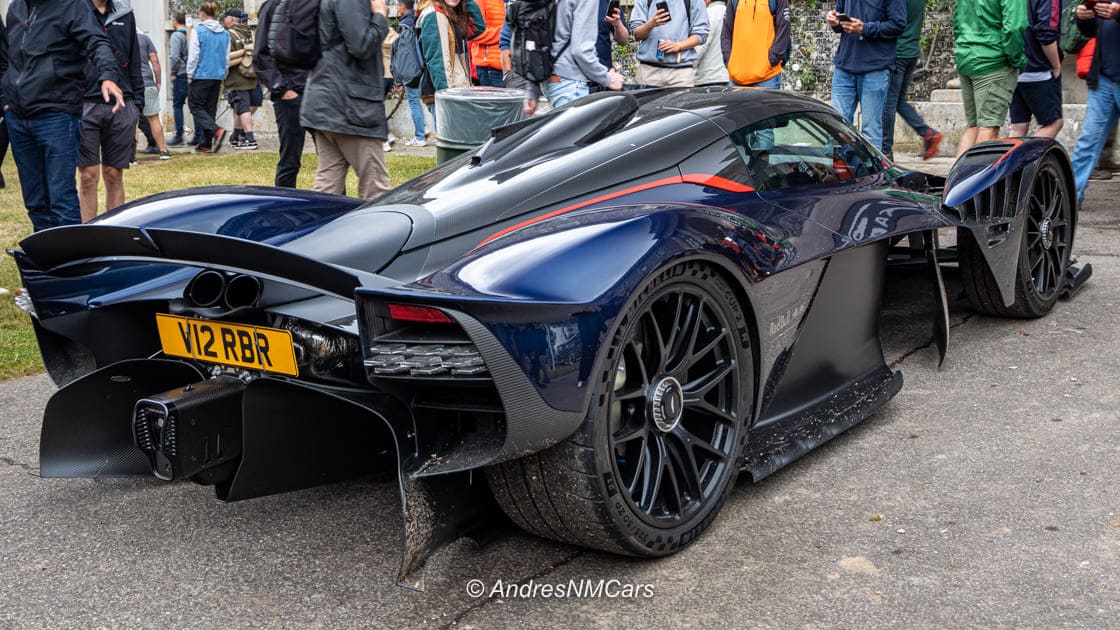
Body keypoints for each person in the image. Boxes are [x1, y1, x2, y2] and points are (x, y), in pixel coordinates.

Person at [4, 0, 125, 231]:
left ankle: (69, 261)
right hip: (18, 117)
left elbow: (97, 41)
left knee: (61, 199)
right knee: (35, 201)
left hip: (57, 115)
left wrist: (108, 75)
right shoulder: (15, 8)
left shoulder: (72, 5)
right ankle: (48, 257)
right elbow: (6, 57)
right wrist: (5, 99)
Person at [301, 0, 392, 199]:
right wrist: (380, 16)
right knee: (377, 194)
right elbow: (361, 45)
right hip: (351, 107)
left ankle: (318, 230)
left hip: (329, 101)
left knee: (327, 190)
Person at [77, 0, 144, 223]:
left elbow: (135, 62)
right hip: (85, 103)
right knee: (87, 176)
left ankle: (112, 234)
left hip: (121, 103)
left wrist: (137, 108)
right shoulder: (75, 11)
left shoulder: (125, 14)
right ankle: (87, 235)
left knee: (114, 174)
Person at [504, 1, 625, 115]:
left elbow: (538, 38)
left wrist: (532, 88)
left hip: (550, 81)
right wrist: (608, 79)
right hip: (572, 84)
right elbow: (581, 51)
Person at [826, 0, 906, 152]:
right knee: (835, 128)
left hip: (875, 68)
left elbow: (898, 25)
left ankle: (872, 175)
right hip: (844, 66)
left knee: (871, 131)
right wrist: (834, 20)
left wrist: (865, 28)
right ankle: (837, 173)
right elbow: (839, 21)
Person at [952, 0, 1026, 156]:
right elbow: (1014, 27)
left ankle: (956, 180)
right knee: (988, 126)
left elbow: (957, 19)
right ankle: (977, 179)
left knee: (973, 126)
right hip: (993, 61)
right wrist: (1017, 60)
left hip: (966, 55)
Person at [255, 0, 312, 187]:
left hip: (317, 92)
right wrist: (282, 88)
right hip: (290, 94)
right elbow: (260, 54)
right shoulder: (274, 7)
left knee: (332, 160)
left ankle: (336, 207)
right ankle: (283, 205)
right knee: (290, 159)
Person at [1071, 1, 1120, 205]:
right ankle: (1069, 199)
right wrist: (1083, 18)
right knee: (1088, 141)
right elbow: (1095, 31)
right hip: (1104, 78)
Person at [882, 0, 942, 160]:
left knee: (888, 102)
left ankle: (885, 149)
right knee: (898, 100)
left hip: (897, 52)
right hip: (911, 52)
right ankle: (927, 133)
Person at [418, 0, 485, 126]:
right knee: (455, 143)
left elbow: (478, 27)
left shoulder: (449, 14)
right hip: (449, 95)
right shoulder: (435, 14)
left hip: (456, 92)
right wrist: (447, 98)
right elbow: (437, 62)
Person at [1008, 0, 1064, 140]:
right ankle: (1026, 159)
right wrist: (1056, 65)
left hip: (1013, 67)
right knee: (1054, 123)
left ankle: (1010, 160)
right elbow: (1046, 33)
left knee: (1018, 126)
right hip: (1038, 69)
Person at [630, 0, 711, 88]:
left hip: (681, 72)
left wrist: (679, 45)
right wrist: (651, 23)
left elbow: (701, 34)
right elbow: (636, 35)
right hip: (648, 70)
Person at [188, 2, 229, 153]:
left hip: (201, 74)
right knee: (209, 109)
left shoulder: (198, 31)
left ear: (203, 14)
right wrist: (224, 73)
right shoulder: (225, 33)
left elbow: (194, 55)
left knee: (195, 106)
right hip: (217, 75)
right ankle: (206, 144)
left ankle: (216, 131)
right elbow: (226, 57)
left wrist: (190, 74)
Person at [721, 0, 790, 89]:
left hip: (767, 78)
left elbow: (784, 30)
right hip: (736, 77)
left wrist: (771, 61)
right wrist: (729, 61)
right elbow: (726, 32)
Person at [222, 8, 258, 150]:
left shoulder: (229, 35)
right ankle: (236, 137)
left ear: (230, 19)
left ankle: (250, 139)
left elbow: (225, 58)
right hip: (251, 76)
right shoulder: (250, 33)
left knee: (242, 109)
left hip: (237, 79)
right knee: (241, 108)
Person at [396, 0, 429, 146]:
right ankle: (424, 129)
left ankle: (420, 136)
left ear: (403, 8)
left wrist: (401, 75)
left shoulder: (404, 26)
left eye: (398, 6)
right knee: (425, 101)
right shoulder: (416, 20)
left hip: (412, 70)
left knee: (414, 102)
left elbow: (405, 53)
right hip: (422, 67)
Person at [136, 31, 172, 160]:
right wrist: (158, 82)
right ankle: (163, 150)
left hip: (131, 84)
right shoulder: (145, 39)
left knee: (133, 120)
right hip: (147, 82)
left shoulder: (121, 37)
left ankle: (130, 156)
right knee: (153, 118)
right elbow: (155, 61)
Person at [594, 0, 630, 92]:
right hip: (576, 78)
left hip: (605, 75)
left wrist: (617, 24)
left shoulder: (607, 2)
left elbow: (624, 40)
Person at [471, 0, 506, 87]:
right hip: (492, 70)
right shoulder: (480, 1)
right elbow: (475, 33)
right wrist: (507, 32)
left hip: (515, 68)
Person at [693, 0, 728, 87]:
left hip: (708, 78)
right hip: (726, 76)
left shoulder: (708, 14)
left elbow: (701, 46)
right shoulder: (729, 12)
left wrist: (687, 67)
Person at [169, 11, 190, 145]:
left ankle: (179, 135)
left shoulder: (176, 36)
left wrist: (173, 72)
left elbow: (175, 57)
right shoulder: (189, 34)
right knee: (195, 106)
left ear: (175, 21)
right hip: (192, 73)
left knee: (177, 104)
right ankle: (199, 135)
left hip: (181, 73)